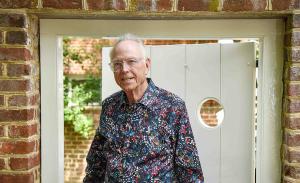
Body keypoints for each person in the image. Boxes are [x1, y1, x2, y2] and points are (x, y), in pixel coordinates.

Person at [83, 34, 204, 182]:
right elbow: (96, 163)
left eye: (131, 61)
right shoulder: (109, 106)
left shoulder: (172, 106)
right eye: (117, 64)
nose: (124, 69)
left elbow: (189, 170)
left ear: (146, 65)